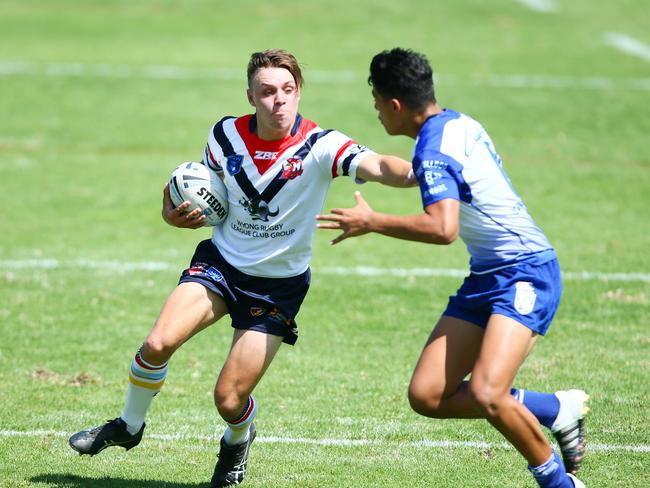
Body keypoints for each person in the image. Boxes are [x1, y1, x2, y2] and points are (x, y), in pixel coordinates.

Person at [68, 48, 414, 487]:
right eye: (268, 92)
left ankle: (238, 437)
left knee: (229, 398)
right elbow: (195, 188)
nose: (279, 101)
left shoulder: (321, 145)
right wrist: (168, 211)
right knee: (157, 343)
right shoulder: (224, 136)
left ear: (299, 91)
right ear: (250, 96)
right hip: (222, 265)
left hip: (277, 288)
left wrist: (426, 170)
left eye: (288, 90)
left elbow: (381, 165)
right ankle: (129, 426)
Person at [316, 48, 588, 488]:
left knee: (486, 392)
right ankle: (555, 409)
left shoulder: (434, 148)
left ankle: (561, 484)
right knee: (428, 395)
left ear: (395, 105)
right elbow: (438, 177)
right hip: (487, 275)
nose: (377, 113)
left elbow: (443, 228)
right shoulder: (459, 122)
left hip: (526, 272)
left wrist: (373, 222)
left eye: (376, 103)